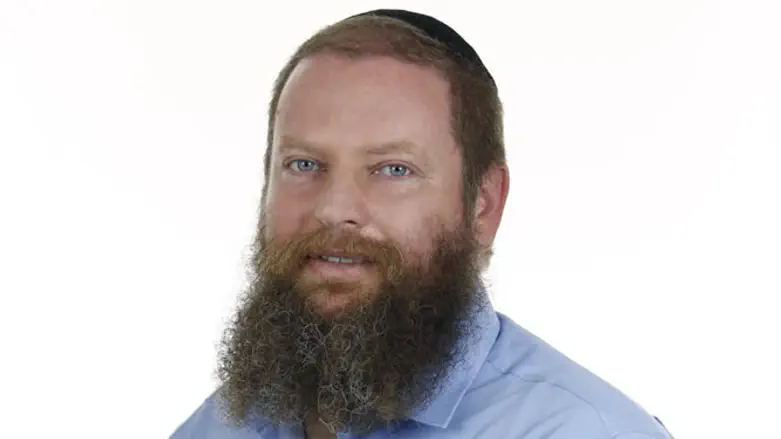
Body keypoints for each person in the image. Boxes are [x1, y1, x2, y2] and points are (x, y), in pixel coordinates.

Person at [171, 9, 674, 439]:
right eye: (303, 164)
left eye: (394, 170)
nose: (334, 208)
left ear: (483, 205)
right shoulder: (220, 426)